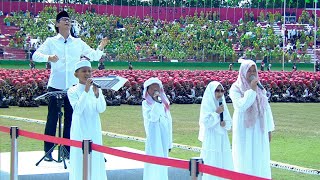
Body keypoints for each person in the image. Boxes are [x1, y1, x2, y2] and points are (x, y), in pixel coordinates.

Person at [32, 10, 108, 161]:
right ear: (57, 24)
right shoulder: (51, 41)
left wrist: (101, 47)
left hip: (73, 87)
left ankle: (67, 149)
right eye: (64, 19)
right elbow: (35, 55)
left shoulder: (78, 42)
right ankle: (48, 151)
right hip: (55, 85)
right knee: (52, 118)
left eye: (69, 20)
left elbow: (93, 55)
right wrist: (49, 57)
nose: (67, 22)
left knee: (71, 119)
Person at [229, 60, 275, 179]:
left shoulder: (260, 88)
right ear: (243, 71)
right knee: (245, 156)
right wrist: (252, 90)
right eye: (249, 70)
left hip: (260, 129)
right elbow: (241, 106)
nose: (252, 73)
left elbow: (266, 109)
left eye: (254, 70)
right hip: (245, 128)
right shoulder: (236, 88)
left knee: (259, 156)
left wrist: (269, 129)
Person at [67, 60, 107, 180]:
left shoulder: (97, 89)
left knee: (95, 157)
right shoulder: (72, 91)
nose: (87, 74)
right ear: (76, 74)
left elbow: (101, 109)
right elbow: (78, 110)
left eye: (89, 71)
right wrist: (86, 91)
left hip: (94, 128)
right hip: (80, 129)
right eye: (84, 71)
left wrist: (97, 95)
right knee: (80, 157)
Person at [198, 81, 233, 180]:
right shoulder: (207, 104)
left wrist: (225, 123)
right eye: (217, 91)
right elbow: (206, 123)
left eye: (222, 91)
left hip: (222, 137)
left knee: (223, 160)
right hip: (211, 137)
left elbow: (229, 123)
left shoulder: (222, 103)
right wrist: (216, 113)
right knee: (212, 159)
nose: (220, 93)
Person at [142, 77, 173, 180]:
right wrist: (156, 102)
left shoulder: (164, 104)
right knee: (153, 165)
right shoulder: (146, 104)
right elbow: (153, 118)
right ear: (147, 90)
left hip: (164, 139)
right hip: (153, 139)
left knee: (163, 165)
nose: (155, 91)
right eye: (152, 89)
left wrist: (169, 142)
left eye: (157, 89)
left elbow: (169, 123)